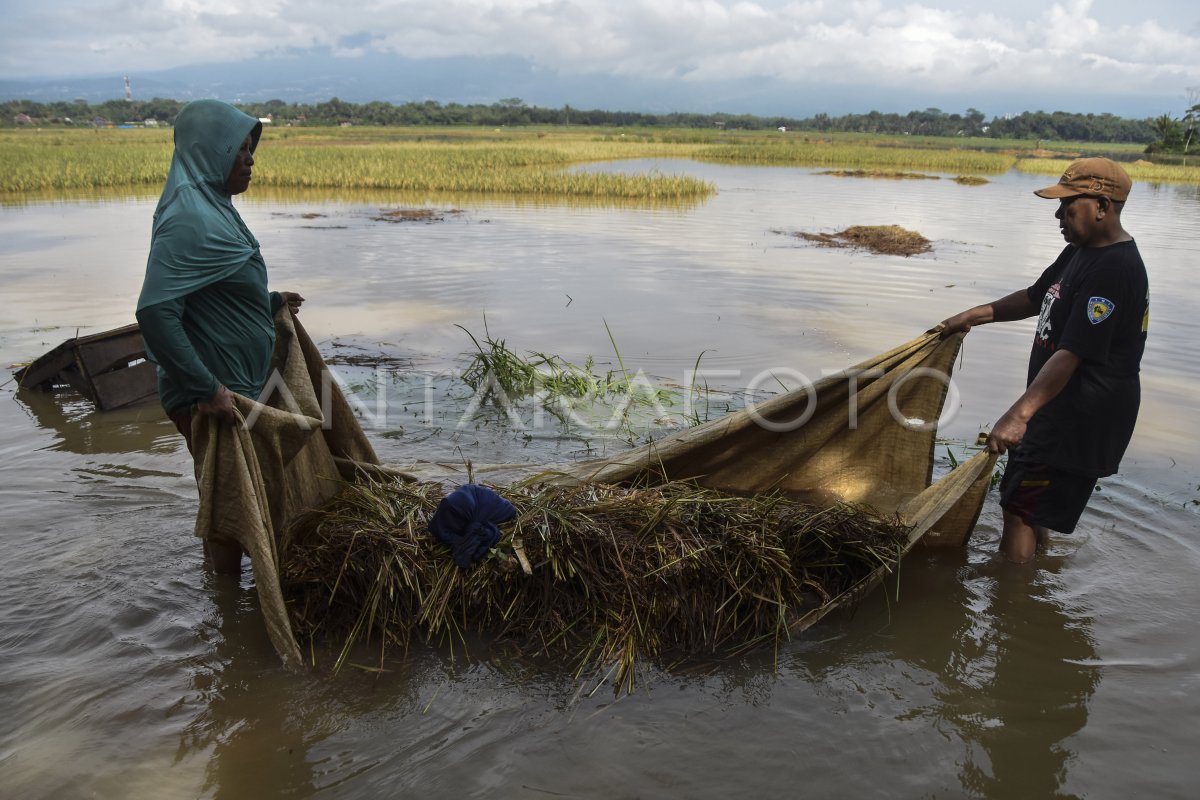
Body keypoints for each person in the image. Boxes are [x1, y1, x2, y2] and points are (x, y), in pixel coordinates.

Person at [940, 157, 1148, 563]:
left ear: (1102, 207)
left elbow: (1072, 354)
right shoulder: (1080, 251)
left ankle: (1012, 605)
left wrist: (1018, 416)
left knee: (1019, 508)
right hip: (1056, 408)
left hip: (1079, 417)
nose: (1058, 215)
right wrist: (972, 316)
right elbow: (1037, 297)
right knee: (1030, 504)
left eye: (1068, 205)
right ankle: (1039, 580)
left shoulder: (1115, 269)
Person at [136, 98, 304, 574]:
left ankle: (231, 601)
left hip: (235, 388)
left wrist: (271, 303)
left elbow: (216, 290)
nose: (250, 160)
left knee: (240, 495)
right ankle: (230, 615)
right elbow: (154, 311)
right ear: (210, 151)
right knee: (229, 507)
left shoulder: (214, 208)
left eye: (252, 150)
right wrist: (206, 389)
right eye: (240, 150)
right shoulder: (188, 219)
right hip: (213, 395)